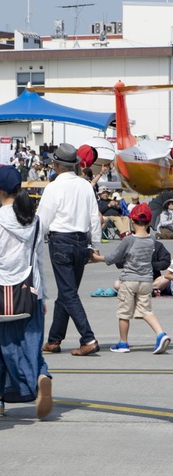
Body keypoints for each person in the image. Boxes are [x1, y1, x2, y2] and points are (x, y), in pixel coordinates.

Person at [0, 166, 53, 420]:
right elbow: (39, 258)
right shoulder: (35, 220)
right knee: (29, 345)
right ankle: (41, 375)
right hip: (29, 293)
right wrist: (42, 296)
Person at [38, 143, 103, 356]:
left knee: (68, 292)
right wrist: (93, 245)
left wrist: (35, 245)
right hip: (81, 241)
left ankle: (88, 338)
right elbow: (94, 217)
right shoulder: (85, 185)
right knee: (68, 292)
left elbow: (43, 221)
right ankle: (54, 339)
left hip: (61, 241)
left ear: (56, 165)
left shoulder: (54, 187)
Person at [92, 203, 172, 354]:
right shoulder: (151, 241)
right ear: (149, 223)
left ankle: (123, 343)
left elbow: (115, 257)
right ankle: (161, 334)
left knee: (124, 313)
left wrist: (97, 257)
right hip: (146, 281)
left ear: (132, 221)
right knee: (146, 311)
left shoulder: (129, 240)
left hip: (129, 280)